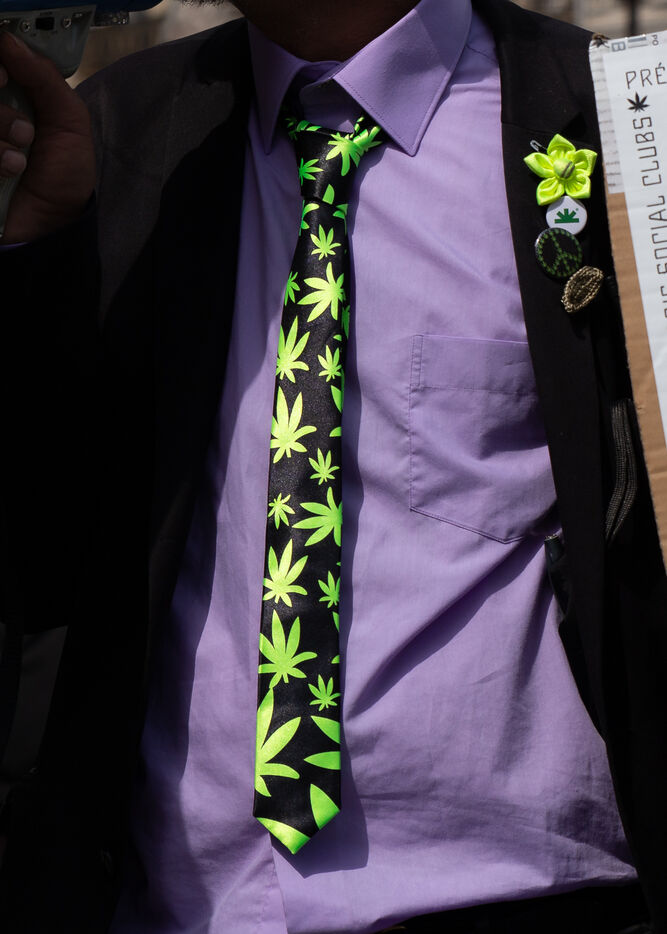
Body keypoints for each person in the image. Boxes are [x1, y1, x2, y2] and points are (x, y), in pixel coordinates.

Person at [0, 0, 665, 931]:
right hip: (175, 905)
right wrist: (27, 256)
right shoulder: (121, 131)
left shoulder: (605, 121)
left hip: (524, 892)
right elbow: (39, 559)